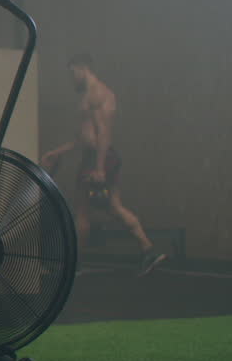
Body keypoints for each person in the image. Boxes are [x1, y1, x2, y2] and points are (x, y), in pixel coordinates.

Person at [40, 53, 167, 276]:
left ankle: (74, 264)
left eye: (72, 74)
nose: (72, 80)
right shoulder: (89, 95)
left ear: (81, 68)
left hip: (98, 159)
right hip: (98, 157)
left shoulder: (97, 94)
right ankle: (149, 250)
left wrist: (98, 167)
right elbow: (83, 137)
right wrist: (56, 152)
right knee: (113, 207)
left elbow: (103, 133)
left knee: (82, 211)